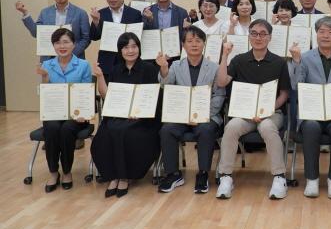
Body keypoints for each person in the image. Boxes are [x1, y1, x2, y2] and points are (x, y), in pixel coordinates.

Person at [216, 19, 291, 199]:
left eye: (263, 34)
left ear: (270, 37)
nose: (258, 37)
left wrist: (267, 110)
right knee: (232, 127)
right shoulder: (239, 60)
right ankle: (225, 176)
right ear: (249, 37)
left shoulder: (279, 62)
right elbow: (221, 82)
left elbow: (284, 94)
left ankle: (279, 177)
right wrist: (224, 55)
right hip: (245, 113)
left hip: (272, 113)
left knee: (267, 127)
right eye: (254, 33)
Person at [289, 17, 331, 198]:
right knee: (311, 126)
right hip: (312, 113)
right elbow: (296, 87)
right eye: (321, 31)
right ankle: (312, 179)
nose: (325, 36)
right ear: (316, 34)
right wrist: (296, 62)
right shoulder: (304, 58)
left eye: (330, 32)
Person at [157, 26, 226, 194]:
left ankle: (203, 173)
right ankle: (173, 174)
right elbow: (166, 87)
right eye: (189, 41)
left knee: (206, 129)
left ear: (204, 44)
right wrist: (163, 69)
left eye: (198, 41)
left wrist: (202, 115)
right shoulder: (175, 66)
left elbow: (219, 96)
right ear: (183, 45)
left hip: (207, 117)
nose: (194, 44)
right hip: (181, 116)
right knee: (167, 130)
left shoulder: (214, 67)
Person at [91, 33, 161, 198]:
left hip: (142, 119)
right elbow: (107, 96)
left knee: (126, 132)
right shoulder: (116, 70)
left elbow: (153, 97)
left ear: (139, 48)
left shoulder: (149, 69)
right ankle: (112, 176)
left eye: (134, 46)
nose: (130, 50)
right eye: (126, 47)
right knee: (105, 134)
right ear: (120, 50)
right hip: (118, 115)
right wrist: (100, 76)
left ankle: (125, 177)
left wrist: (139, 113)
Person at [36, 28, 92, 192]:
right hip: (54, 112)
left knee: (67, 128)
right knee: (52, 127)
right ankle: (54, 172)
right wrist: (45, 80)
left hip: (76, 115)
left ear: (74, 44)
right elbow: (43, 95)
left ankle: (67, 171)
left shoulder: (83, 65)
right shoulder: (46, 65)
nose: (62, 45)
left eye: (66, 41)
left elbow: (86, 92)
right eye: (58, 42)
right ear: (53, 45)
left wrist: (83, 113)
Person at [16, 0, 90, 61]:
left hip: (74, 59)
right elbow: (36, 33)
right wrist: (25, 13)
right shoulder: (45, 12)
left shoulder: (80, 13)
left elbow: (86, 39)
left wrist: (69, 53)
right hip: (49, 60)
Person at [89, 0, 143, 75]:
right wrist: (96, 21)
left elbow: (138, 38)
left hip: (130, 61)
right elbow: (94, 37)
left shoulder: (135, 14)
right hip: (107, 62)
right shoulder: (100, 13)